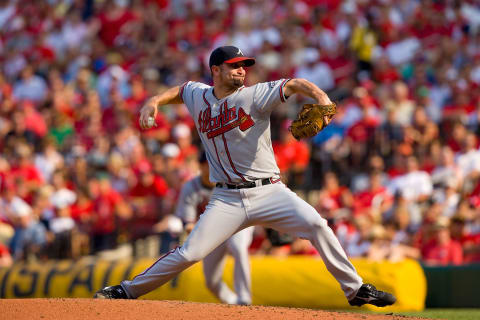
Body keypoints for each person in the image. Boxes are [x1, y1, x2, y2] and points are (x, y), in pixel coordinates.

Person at [94, 45, 396, 307]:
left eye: (244, 66)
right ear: (216, 70)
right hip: (226, 198)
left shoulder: (255, 95)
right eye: (234, 66)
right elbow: (182, 91)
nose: (242, 70)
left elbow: (294, 83)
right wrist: (155, 100)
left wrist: (321, 97)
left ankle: (355, 290)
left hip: (270, 192)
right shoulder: (198, 95)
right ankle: (126, 290)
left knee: (318, 224)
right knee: (189, 254)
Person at [176, 152, 254, 305]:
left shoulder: (232, 181)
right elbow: (188, 223)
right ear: (201, 166)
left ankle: (245, 299)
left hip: (237, 226)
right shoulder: (191, 187)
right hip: (211, 233)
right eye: (208, 165)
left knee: (239, 248)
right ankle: (233, 303)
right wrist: (197, 233)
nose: (212, 168)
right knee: (211, 281)